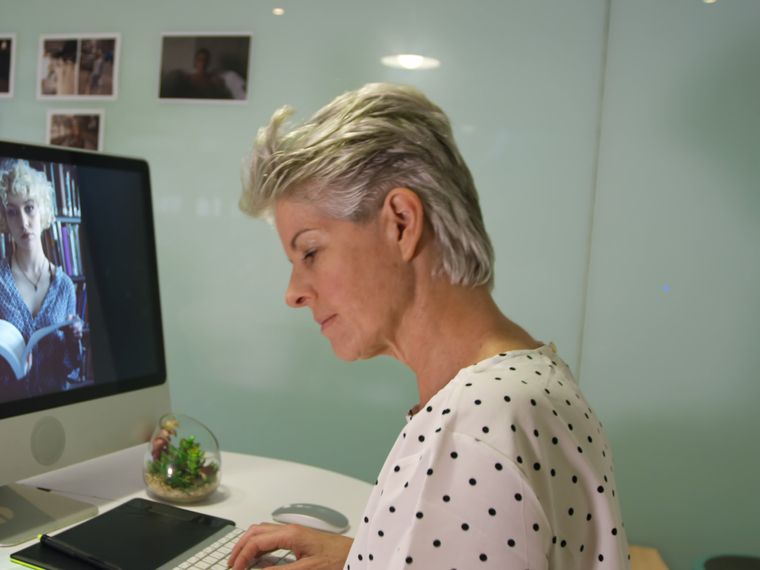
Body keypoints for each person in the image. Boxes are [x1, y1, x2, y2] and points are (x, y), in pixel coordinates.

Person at [228, 84, 628, 569]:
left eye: (310, 252)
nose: (293, 292)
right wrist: (368, 558)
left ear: (400, 222)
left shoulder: (473, 431)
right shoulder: (526, 381)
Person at [0, 159, 83, 405]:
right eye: (12, 212)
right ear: (4, 219)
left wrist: (73, 339)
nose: (23, 222)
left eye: (29, 208)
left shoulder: (64, 286)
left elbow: (72, 366)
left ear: (43, 210)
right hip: (7, 408)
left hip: (54, 409)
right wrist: (9, 367)